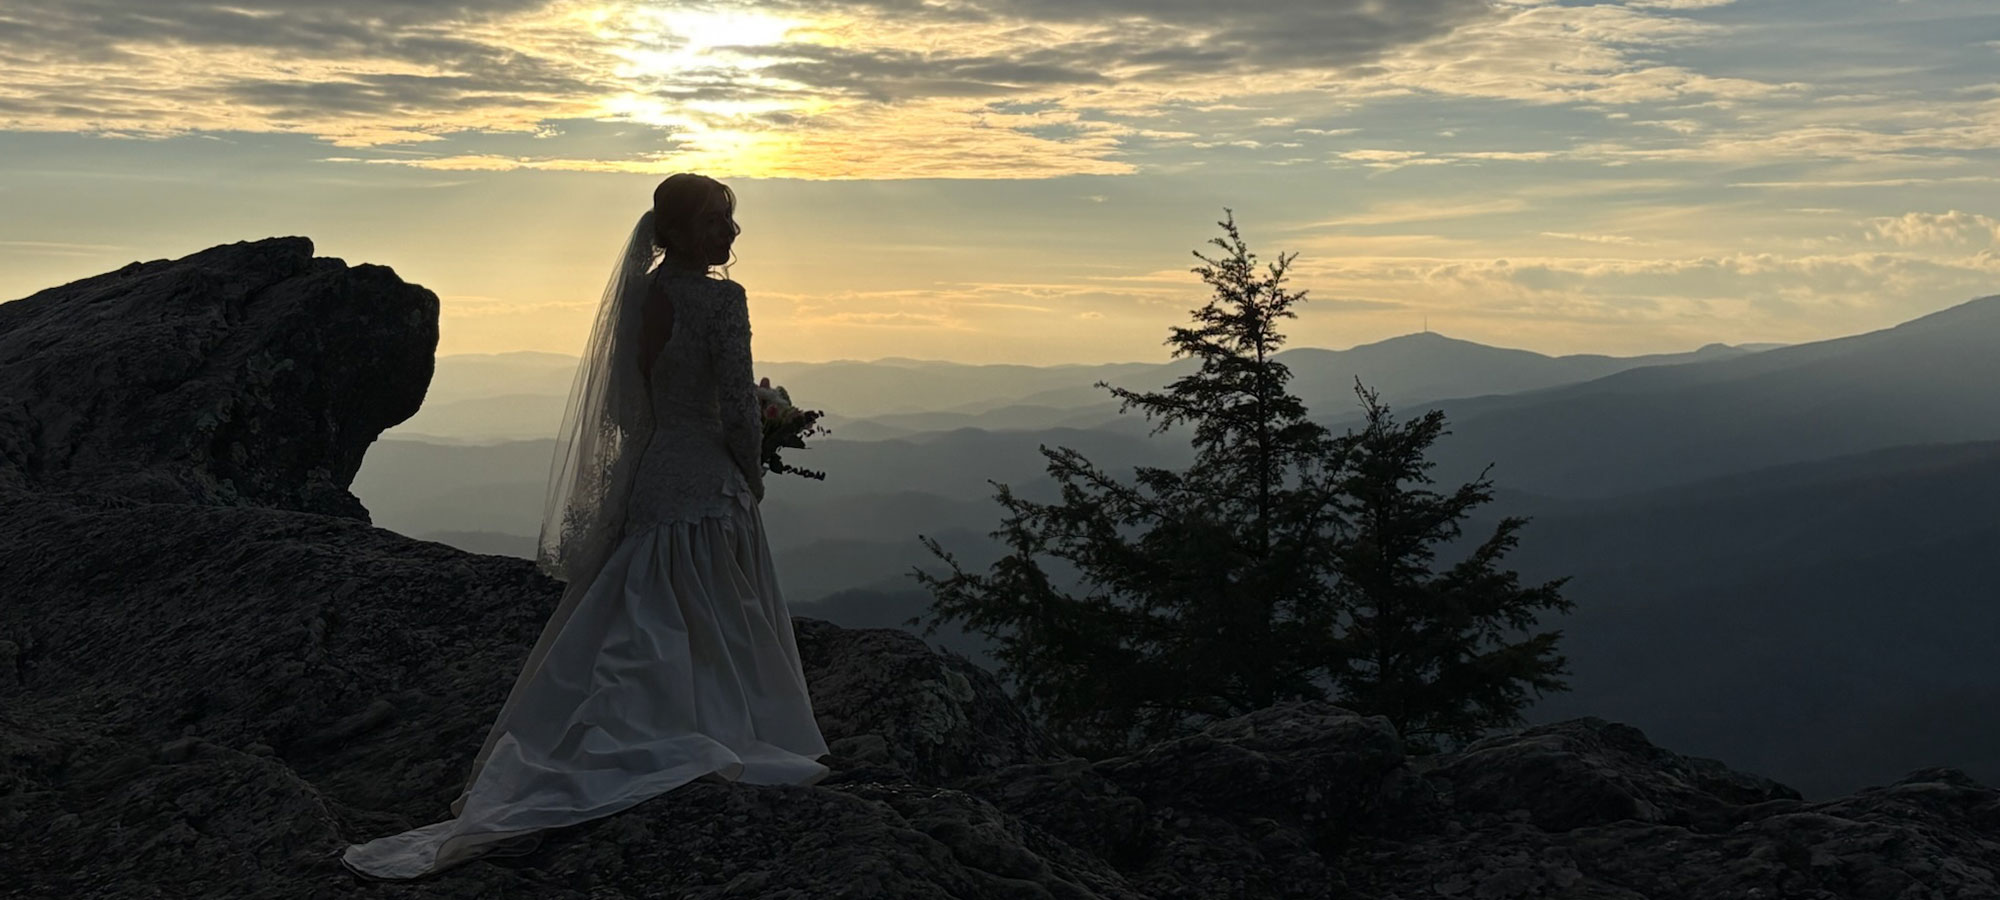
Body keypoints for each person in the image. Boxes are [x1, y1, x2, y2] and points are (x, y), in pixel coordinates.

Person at [339, 174, 831, 881]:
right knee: (718, 603)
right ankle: (719, 722)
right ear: (680, 230)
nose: (731, 233)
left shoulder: (642, 294)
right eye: (717, 221)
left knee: (641, 602)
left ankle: (628, 719)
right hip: (707, 477)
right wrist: (750, 474)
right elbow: (735, 405)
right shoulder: (725, 300)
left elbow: (631, 405)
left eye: (731, 219)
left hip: (657, 468)